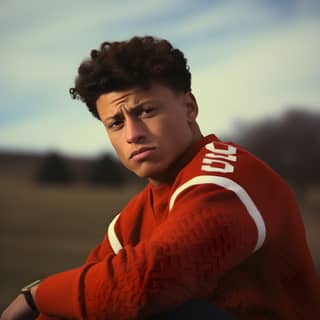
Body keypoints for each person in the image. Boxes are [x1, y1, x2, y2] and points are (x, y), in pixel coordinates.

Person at [1, 36, 320, 320]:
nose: (132, 134)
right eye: (115, 122)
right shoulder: (131, 221)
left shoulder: (227, 180)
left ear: (189, 107)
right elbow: (85, 301)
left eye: (146, 111)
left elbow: (147, 284)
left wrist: (36, 294)